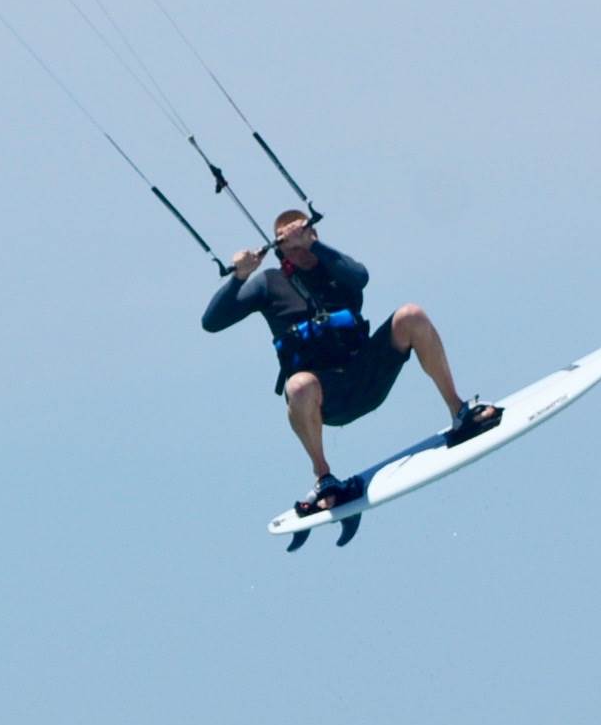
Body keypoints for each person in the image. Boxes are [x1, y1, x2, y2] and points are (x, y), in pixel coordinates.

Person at [202, 210, 501, 513]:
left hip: (367, 374)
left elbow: (361, 277)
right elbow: (211, 322)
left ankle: (459, 411)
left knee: (411, 315)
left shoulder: (336, 270)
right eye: (292, 246)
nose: (302, 251)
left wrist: (312, 245)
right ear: (281, 254)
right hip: (327, 397)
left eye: (306, 241)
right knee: (298, 385)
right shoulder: (268, 284)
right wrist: (238, 278)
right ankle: (324, 477)